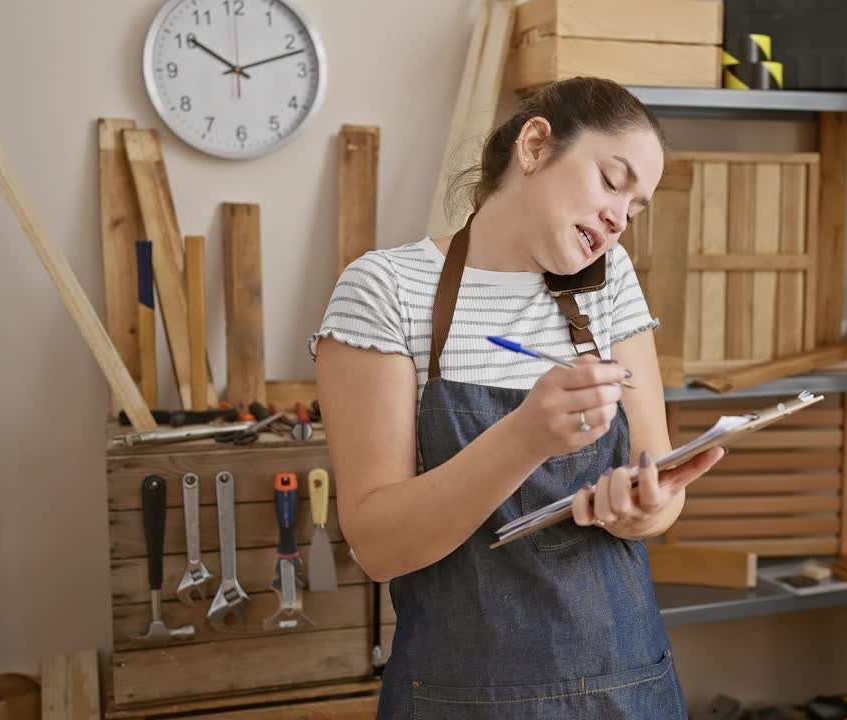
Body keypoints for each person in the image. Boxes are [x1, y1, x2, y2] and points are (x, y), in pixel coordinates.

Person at [310, 75, 725, 719]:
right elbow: (378, 546)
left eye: (636, 208)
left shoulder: (608, 285)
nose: (619, 219)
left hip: (627, 692)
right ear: (534, 147)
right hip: (461, 701)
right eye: (612, 182)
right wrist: (527, 437)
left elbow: (656, 487)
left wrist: (637, 509)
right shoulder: (386, 290)